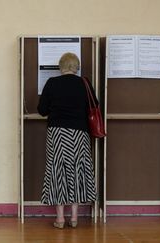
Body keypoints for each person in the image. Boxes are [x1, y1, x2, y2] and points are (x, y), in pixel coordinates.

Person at [37, 52, 97, 229]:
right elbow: (95, 105)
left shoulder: (52, 83)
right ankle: (75, 218)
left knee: (57, 171)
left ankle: (61, 219)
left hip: (57, 133)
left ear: (61, 67)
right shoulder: (84, 84)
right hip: (79, 133)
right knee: (77, 170)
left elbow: (42, 110)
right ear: (76, 66)